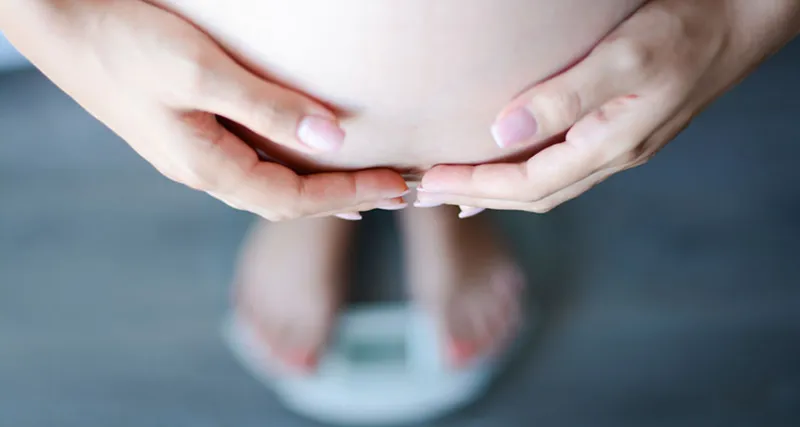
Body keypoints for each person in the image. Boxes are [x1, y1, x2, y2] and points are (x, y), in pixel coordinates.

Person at [1, 0, 797, 373]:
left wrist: (749, 14)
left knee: (336, 150)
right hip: (230, 81)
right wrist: (48, 21)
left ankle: (426, 201)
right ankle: (322, 198)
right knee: (271, 155)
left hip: (556, 100)